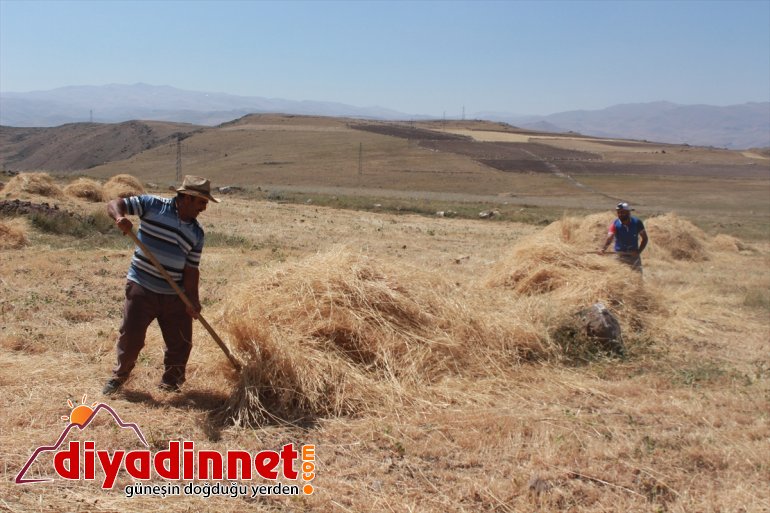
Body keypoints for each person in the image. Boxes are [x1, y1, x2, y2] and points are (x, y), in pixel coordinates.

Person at [102, 175, 220, 395]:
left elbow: (191, 269)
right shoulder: (152, 205)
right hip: (142, 286)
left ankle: (171, 384)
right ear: (187, 197)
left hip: (175, 294)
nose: (204, 208)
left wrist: (192, 300)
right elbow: (115, 203)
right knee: (132, 337)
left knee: (181, 343)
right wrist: (120, 217)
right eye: (201, 202)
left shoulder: (196, 233)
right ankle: (119, 377)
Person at [600, 202, 648, 272]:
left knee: (637, 275)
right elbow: (610, 238)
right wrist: (603, 249)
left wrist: (638, 251)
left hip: (633, 255)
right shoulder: (615, 224)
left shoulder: (637, 223)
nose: (620, 214)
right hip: (620, 255)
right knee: (618, 274)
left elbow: (645, 238)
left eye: (622, 212)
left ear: (628, 212)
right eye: (618, 212)